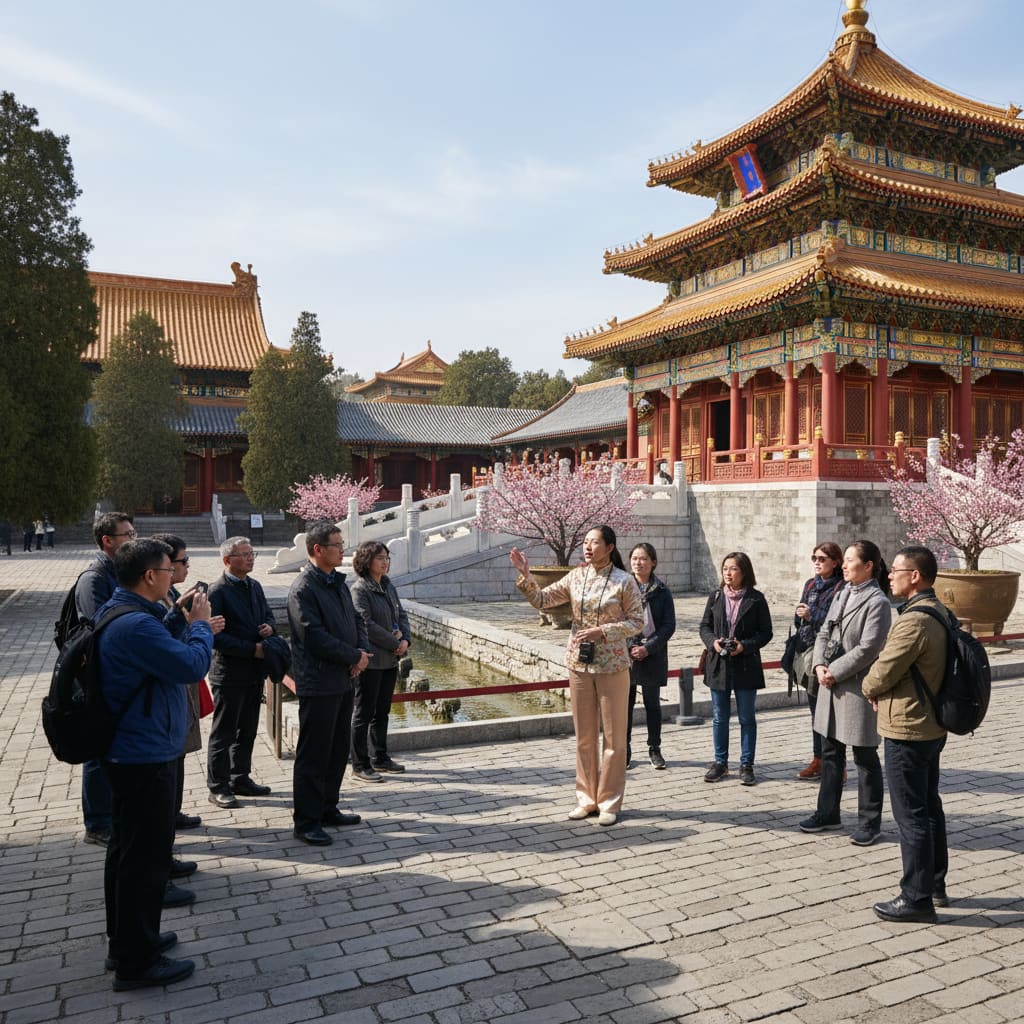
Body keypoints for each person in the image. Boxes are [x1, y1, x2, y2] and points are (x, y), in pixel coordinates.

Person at [96, 538, 213, 991]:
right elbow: (190, 664)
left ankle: (128, 940)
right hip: (143, 753)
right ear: (150, 576)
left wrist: (175, 616)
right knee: (143, 861)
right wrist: (201, 626)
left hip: (133, 750)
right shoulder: (134, 626)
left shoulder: (128, 612)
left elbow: (157, 645)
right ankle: (136, 962)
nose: (173, 576)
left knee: (128, 854)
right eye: (169, 570)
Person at [511, 525, 643, 827]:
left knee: (613, 738)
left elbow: (637, 622)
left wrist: (604, 631)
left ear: (610, 547)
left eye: (594, 542)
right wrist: (526, 575)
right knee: (584, 737)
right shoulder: (576, 576)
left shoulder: (624, 581)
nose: (587, 547)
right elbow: (543, 601)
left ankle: (609, 801)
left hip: (612, 665)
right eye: (585, 542)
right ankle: (586, 799)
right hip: (579, 665)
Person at [863, 545, 950, 923]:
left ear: (915, 576)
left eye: (896, 570)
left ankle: (916, 898)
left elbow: (883, 670)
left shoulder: (914, 620)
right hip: (932, 724)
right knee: (929, 806)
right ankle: (933, 882)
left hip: (908, 726)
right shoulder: (942, 611)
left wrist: (868, 688)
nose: (890, 576)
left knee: (910, 814)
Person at [798, 540, 892, 846]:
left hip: (854, 688)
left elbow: (868, 649)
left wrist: (834, 671)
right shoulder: (843, 592)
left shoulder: (877, 602)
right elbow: (824, 630)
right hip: (829, 683)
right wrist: (819, 664)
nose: (844, 565)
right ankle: (827, 812)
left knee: (864, 757)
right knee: (830, 753)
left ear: (868, 566)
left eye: (850, 560)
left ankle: (869, 821)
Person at [288, 521, 370, 845]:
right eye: (336, 545)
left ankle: (328, 808)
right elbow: (314, 637)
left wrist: (360, 652)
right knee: (314, 754)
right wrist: (352, 656)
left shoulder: (336, 583)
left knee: (337, 750)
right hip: (319, 681)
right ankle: (306, 821)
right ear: (317, 549)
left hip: (343, 678)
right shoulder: (303, 588)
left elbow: (357, 619)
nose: (342, 550)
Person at [152, 534, 224, 835]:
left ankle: (174, 810)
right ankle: (166, 819)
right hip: (167, 691)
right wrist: (201, 629)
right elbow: (172, 647)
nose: (186, 567)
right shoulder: (152, 605)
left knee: (178, 756)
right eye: (182, 561)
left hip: (181, 688)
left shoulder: (173, 595)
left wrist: (204, 628)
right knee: (168, 760)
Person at [75, 512, 137, 846]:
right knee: (98, 751)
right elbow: (100, 626)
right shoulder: (95, 577)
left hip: (119, 673)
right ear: (107, 541)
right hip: (99, 676)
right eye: (127, 534)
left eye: (133, 532)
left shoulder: (118, 571)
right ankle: (97, 823)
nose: (133, 538)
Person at [206, 536, 275, 809]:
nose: (250, 558)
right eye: (244, 554)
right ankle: (218, 785)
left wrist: (269, 627)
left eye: (252, 553)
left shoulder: (254, 586)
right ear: (227, 560)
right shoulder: (217, 592)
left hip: (253, 671)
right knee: (223, 732)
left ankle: (240, 777)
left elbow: (268, 615)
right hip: (229, 672)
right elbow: (215, 638)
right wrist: (252, 650)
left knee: (247, 729)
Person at [699, 551, 772, 786]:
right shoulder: (716, 596)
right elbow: (704, 626)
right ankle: (720, 762)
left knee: (747, 717)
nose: (728, 573)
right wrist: (713, 642)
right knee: (720, 717)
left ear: (744, 572)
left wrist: (745, 646)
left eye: (733, 569)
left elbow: (766, 632)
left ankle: (746, 764)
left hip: (745, 665)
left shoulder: (756, 599)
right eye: (725, 568)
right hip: (719, 664)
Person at [350, 541, 412, 782]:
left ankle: (381, 756)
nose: (385, 562)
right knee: (363, 712)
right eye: (379, 558)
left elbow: (401, 614)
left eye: (386, 558)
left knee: (382, 711)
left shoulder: (387, 585)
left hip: (390, 660)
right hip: (371, 660)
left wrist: (405, 639)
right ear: (367, 562)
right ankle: (360, 763)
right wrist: (393, 642)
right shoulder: (360, 589)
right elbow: (366, 624)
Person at [791, 542, 845, 780]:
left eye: (822, 558)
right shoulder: (810, 584)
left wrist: (811, 615)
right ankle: (819, 759)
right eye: (814, 557)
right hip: (808, 651)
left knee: (832, 712)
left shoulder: (841, 588)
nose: (817, 562)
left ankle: (837, 764)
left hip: (830, 655)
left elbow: (836, 621)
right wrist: (800, 614)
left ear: (835, 562)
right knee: (815, 711)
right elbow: (799, 619)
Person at [626, 542, 676, 770]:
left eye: (644, 558)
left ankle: (654, 748)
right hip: (625, 655)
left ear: (653, 562)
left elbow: (668, 625)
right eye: (635, 558)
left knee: (652, 704)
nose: (638, 562)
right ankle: (623, 749)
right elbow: (614, 619)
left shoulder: (662, 591)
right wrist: (630, 645)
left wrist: (648, 647)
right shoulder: (623, 587)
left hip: (652, 654)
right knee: (623, 706)